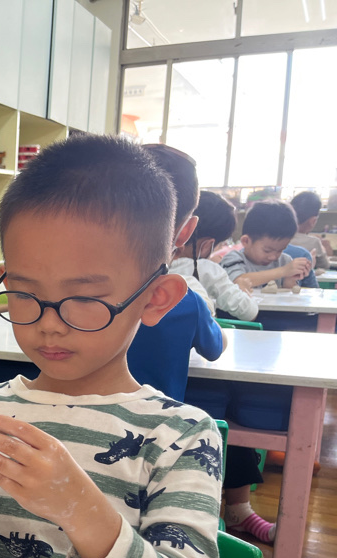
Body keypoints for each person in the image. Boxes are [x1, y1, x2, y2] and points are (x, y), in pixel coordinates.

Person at [0, 134, 222, 558]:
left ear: (155, 299)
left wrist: (80, 507)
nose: (49, 324)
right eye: (25, 294)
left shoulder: (180, 437)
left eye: (83, 299)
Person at [127, 143, 224, 402]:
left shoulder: (64, 293)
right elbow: (216, 348)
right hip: (159, 424)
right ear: (186, 231)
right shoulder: (187, 301)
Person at [171, 190, 259, 321]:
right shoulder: (207, 269)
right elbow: (249, 312)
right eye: (219, 245)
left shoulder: (150, 265)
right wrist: (241, 289)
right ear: (207, 245)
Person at [221, 199, 312, 291]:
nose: (273, 257)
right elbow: (239, 281)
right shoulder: (233, 259)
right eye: (267, 250)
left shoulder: (285, 261)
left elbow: (288, 294)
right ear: (246, 241)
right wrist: (284, 271)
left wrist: (291, 277)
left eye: (280, 250)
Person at [289, 190, 331, 270]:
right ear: (313, 221)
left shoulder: (278, 237)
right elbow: (325, 265)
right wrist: (323, 248)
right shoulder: (314, 242)